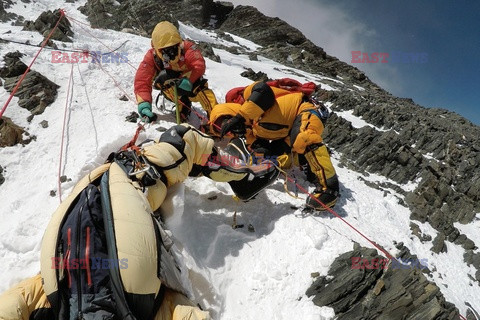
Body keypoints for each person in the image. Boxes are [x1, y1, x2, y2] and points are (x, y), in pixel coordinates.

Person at [0, 124, 277, 320]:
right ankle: (243, 176)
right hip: (117, 187)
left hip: (86, 250)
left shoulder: (50, 303)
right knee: (181, 140)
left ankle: (237, 174)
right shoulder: (49, 299)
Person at [209, 81, 340, 211]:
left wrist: (240, 117)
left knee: (304, 138)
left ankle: (330, 190)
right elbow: (259, 150)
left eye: (224, 122)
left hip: (306, 110)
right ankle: (306, 161)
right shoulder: (250, 131)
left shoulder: (249, 97)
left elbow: (263, 90)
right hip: (288, 132)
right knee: (278, 157)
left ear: (230, 112)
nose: (231, 130)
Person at [134, 21, 218, 122]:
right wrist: (144, 104)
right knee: (163, 78)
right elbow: (142, 81)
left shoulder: (188, 48)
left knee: (202, 90)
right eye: (164, 50)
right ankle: (182, 106)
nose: (170, 53)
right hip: (171, 89)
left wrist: (189, 80)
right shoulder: (152, 57)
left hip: (191, 85)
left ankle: (217, 117)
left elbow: (199, 64)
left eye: (173, 47)